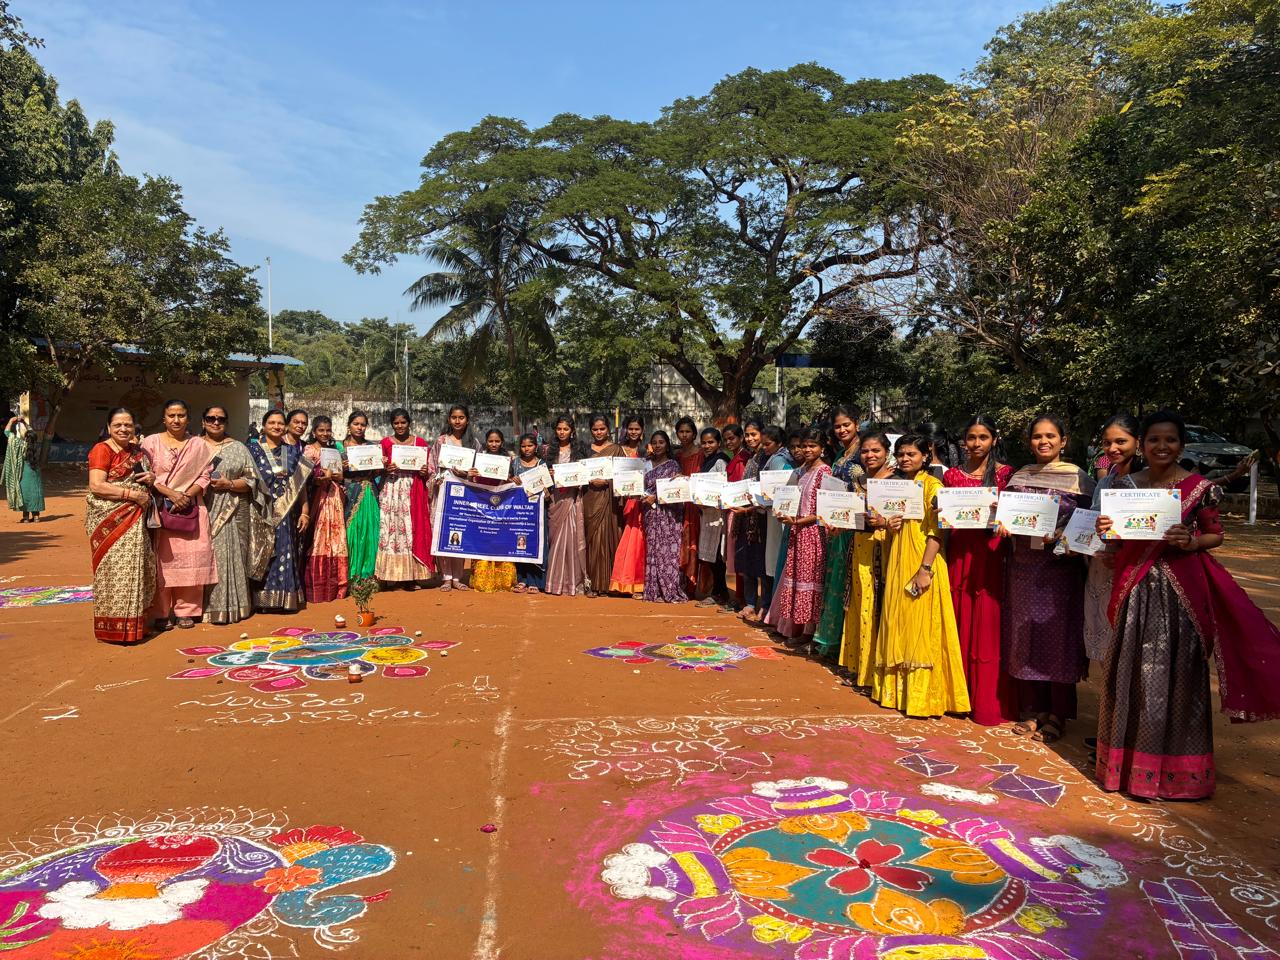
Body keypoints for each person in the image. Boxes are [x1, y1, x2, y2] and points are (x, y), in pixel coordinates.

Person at [1095, 410, 1280, 800]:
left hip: (1181, 596)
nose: (1162, 447)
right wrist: (1106, 532)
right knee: (1129, 670)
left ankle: (1174, 774)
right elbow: (1115, 545)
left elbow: (1215, 535)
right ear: (1142, 444)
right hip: (1134, 592)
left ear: (1181, 444)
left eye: (1171, 440)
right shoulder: (1127, 487)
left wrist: (1191, 542)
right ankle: (1127, 769)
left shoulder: (1198, 488)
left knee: (1175, 677)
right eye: (1154, 440)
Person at [1000, 413, 1094, 744]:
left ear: (1063, 441)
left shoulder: (1079, 479)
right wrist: (1002, 526)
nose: (1044, 441)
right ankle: (1033, 709)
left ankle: (1057, 714)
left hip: (1060, 571)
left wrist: (1064, 537)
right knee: (1024, 637)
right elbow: (1006, 517)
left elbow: (1089, 523)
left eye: (1051, 436)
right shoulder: (1019, 476)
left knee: (1059, 638)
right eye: (1037, 436)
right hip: (1022, 568)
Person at [868, 435, 970, 718]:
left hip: (922, 558)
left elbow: (937, 531)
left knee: (920, 624)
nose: (905, 459)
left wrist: (925, 569)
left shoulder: (933, 486)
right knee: (897, 618)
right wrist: (887, 523)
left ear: (926, 456)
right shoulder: (898, 486)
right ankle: (896, 693)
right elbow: (888, 524)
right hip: (898, 555)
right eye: (900, 454)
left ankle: (922, 697)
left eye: (911, 454)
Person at [942, 416, 1017, 725]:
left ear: (994, 440)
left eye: (983, 437)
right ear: (964, 441)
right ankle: (957, 696)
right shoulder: (953, 477)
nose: (976, 443)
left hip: (992, 556)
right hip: (960, 555)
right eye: (971, 437)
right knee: (959, 618)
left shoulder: (1007, 475)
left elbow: (1014, 518)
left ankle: (987, 701)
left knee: (988, 623)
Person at [141, 400, 217, 629]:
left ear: (188, 418)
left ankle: (186, 611)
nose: (176, 420)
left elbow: (205, 477)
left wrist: (184, 496)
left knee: (194, 557)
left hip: (191, 507)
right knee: (162, 561)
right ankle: (161, 612)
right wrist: (172, 495)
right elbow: (146, 475)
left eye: (181, 415)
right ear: (163, 418)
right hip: (160, 508)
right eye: (171, 415)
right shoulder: (150, 443)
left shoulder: (199, 445)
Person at [85, 408, 156, 643]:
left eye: (128, 424)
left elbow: (146, 478)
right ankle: (113, 628)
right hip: (111, 521)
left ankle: (136, 626)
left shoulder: (138, 452)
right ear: (108, 428)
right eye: (118, 425)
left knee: (138, 568)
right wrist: (132, 495)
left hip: (136, 521)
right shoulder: (101, 450)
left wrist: (150, 479)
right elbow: (97, 486)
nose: (124, 429)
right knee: (115, 571)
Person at [1081, 414, 1142, 664]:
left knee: (1131, 643)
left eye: (1120, 441)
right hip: (1099, 570)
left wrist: (1122, 555)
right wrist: (1070, 541)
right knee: (1108, 650)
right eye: (1107, 443)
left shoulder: (1147, 484)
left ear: (1138, 442)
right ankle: (1111, 702)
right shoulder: (1105, 480)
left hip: (1130, 571)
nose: (1112, 448)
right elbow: (1090, 521)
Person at [765, 427, 831, 643]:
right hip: (797, 532)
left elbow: (824, 510)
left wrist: (798, 521)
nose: (807, 449)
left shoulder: (825, 472)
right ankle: (796, 627)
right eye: (804, 446)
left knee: (811, 580)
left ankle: (809, 632)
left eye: (813, 445)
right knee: (796, 579)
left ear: (822, 448)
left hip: (814, 533)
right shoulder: (803, 471)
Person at [840, 431, 893, 689]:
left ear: (886, 452)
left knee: (878, 605)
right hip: (859, 544)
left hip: (883, 548)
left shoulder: (897, 480)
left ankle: (876, 671)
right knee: (860, 603)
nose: (870, 456)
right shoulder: (858, 480)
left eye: (876, 451)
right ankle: (860, 666)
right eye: (865, 452)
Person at [248, 410, 313, 612]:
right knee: (263, 552)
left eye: (280, 423)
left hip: (286, 514)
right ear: (264, 425)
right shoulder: (252, 449)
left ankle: (285, 600)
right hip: (260, 510)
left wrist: (304, 512)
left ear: (285, 426)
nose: (276, 426)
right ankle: (261, 601)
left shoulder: (293, 452)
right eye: (272, 423)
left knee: (285, 551)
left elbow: (300, 487)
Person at [813, 408, 863, 659]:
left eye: (847, 425)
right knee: (836, 581)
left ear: (857, 422)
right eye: (838, 427)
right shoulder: (842, 454)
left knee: (851, 584)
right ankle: (833, 642)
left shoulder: (866, 451)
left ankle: (848, 647)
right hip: (836, 526)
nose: (842, 430)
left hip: (856, 526)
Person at [202, 405, 259, 625]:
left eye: (221, 419)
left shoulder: (239, 448)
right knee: (208, 555)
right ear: (203, 422)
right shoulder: (194, 447)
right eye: (211, 418)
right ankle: (205, 607)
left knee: (236, 555)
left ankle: (237, 606)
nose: (216, 422)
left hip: (235, 511)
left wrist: (230, 484)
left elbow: (254, 481)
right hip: (204, 510)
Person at [378, 408, 434, 589]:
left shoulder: (420, 443)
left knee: (410, 531)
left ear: (409, 423)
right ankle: (389, 575)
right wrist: (385, 469)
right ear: (392, 424)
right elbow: (378, 467)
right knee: (390, 531)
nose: (400, 426)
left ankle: (410, 577)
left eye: (403, 422)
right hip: (392, 490)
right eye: (396, 423)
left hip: (413, 490)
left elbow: (429, 470)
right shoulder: (385, 443)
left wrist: (425, 471)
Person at [432, 404, 480, 590]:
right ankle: (445, 577)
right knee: (444, 532)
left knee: (460, 531)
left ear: (467, 419)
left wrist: (473, 473)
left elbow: (479, 470)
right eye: (454, 417)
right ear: (449, 419)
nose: (457, 421)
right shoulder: (441, 441)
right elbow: (432, 467)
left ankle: (458, 577)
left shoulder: (473, 443)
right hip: (445, 492)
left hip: (465, 494)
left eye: (461, 417)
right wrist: (435, 479)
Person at [303, 415, 349, 602]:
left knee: (337, 538)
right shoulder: (309, 451)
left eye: (327, 430)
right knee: (318, 537)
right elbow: (305, 477)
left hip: (334, 497)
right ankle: (317, 585)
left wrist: (336, 475)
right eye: (320, 430)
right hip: (317, 498)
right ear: (314, 431)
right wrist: (318, 479)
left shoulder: (334, 450)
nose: (324, 433)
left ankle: (338, 585)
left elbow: (340, 477)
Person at [641, 430, 688, 603]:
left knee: (668, 553)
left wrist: (657, 497)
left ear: (667, 444)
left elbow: (676, 491)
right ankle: (654, 589)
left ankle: (669, 588)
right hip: (650, 513)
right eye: (654, 442)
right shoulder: (645, 464)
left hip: (669, 516)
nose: (658, 445)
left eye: (661, 442)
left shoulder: (673, 466)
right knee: (652, 550)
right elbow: (639, 486)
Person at [544, 415, 588, 595]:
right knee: (555, 539)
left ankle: (572, 582)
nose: (562, 432)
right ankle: (555, 582)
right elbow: (543, 476)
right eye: (559, 429)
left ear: (572, 431)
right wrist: (550, 475)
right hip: (556, 499)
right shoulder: (549, 451)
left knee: (572, 537)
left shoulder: (579, 450)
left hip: (572, 498)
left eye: (566, 429)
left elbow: (585, 474)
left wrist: (580, 479)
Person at [470, 429, 517, 593]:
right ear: (486, 442)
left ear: (502, 442)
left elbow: (512, 481)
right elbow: (473, 480)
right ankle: (483, 579)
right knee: (484, 538)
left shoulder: (509, 460)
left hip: (502, 505)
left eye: (497, 441)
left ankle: (503, 580)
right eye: (491, 441)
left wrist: (511, 479)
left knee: (501, 539)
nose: (494, 444)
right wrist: (472, 474)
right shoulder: (479, 459)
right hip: (483, 503)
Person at [731, 421, 769, 622]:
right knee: (747, 561)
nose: (750, 438)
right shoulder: (752, 458)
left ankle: (765, 605)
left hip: (761, 518)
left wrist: (750, 508)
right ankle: (750, 602)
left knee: (762, 563)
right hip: (746, 517)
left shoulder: (768, 458)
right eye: (747, 435)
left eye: (754, 434)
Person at [582, 414, 624, 597]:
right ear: (591, 430)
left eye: (602, 429)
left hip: (609, 501)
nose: (599, 432)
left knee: (607, 538)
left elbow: (624, 476)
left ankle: (608, 584)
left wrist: (607, 482)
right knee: (592, 540)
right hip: (589, 499)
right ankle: (592, 583)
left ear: (608, 429)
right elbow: (576, 474)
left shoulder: (616, 450)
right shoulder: (583, 450)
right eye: (595, 429)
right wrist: (589, 480)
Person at [608, 415, 647, 597]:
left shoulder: (648, 450)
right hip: (618, 499)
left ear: (642, 431)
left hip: (638, 502)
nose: (633, 432)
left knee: (636, 540)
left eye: (637, 429)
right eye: (630, 429)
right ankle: (622, 580)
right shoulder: (618, 450)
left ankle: (637, 582)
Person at [695, 427, 731, 609]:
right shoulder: (706, 461)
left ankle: (720, 592)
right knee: (710, 554)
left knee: (718, 554)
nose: (707, 446)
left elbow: (723, 486)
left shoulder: (721, 461)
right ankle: (718, 591)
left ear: (718, 443)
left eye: (711, 442)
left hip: (718, 514)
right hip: (706, 514)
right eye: (704, 442)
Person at [342, 411, 381, 581]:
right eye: (356, 424)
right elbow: (333, 471)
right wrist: (342, 467)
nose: (359, 427)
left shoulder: (372, 446)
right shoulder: (338, 446)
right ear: (349, 425)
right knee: (351, 531)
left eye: (362, 424)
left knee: (370, 530)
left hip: (369, 492)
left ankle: (368, 574)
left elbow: (377, 472)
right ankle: (351, 574)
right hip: (349, 492)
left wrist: (382, 464)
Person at [760, 425, 795, 609]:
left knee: (775, 557)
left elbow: (777, 488)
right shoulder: (779, 458)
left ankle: (774, 606)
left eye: (768, 444)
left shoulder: (777, 460)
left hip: (778, 514)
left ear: (779, 443)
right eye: (763, 444)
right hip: (780, 512)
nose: (764, 447)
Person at [512, 433, 547, 594]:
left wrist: (546, 491)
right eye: (523, 446)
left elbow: (548, 492)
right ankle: (522, 579)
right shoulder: (515, 463)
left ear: (536, 446)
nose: (527, 449)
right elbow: (507, 483)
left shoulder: (542, 464)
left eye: (530, 445)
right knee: (520, 542)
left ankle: (536, 581)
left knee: (536, 544)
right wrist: (511, 479)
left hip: (537, 513)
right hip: (519, 512)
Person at [673, 416, 703, 596]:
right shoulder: (676, 456)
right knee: (680, 542)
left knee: (694, 540)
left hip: (695, 504)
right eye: (681, 432)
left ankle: (695, 583)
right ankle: (682, 582)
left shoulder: (701, 453)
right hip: (678, 503)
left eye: (688, 432)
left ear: (694, 434)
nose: (684, 435)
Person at [3, 414, 45, 522]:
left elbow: (7, 433)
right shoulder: (36, 445)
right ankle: (36, 516)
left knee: (24, 491)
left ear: (25, 437)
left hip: (24, 471)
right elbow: (32, 432)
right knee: (35, 490)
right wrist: (25, 423)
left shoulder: (19, 444)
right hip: (35, 471)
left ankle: (25, 517)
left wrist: (12, 420)